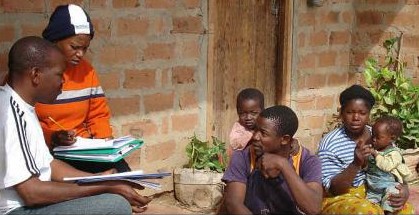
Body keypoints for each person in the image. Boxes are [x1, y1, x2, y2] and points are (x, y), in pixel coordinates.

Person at [0, 36, 151, 215]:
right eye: (59, 75)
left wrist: (97, 179)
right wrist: (105, 187)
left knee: (114, 198)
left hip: (31, 202)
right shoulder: (9, 112)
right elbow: (31, 193)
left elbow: (50, 165)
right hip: (17, 210)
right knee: (114, 205)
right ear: (35, 75)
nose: (63, 82)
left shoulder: (25, 106)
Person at [35, 4, 130, 173]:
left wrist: (105, 144)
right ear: (55, 41)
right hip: (47, 152)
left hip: (83, 150)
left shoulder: (86, 71)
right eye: (74, 47)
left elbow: (98, 114)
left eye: (85, 48)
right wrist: (52, 137)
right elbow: (22, 124)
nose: (80, 54)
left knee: (125, 176)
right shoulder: (34, 73)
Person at [317, 84, 414, 214]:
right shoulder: (330, 144)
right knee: (367, 211)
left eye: (362, 113)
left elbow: (396, 164)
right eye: (350, 112)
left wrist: (405, 190)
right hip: (341, 198)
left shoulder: (379, 135)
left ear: (369, 114)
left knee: (404, 210)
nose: (356, 118)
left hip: (377, 192)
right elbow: (332, 189)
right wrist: (356, 163)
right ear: (341, 113)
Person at [221, 105, 323, 214]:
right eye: (255, 130)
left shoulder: (307, 160)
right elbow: (234, 204)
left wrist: (283, 165)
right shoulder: (243, 157)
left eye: (263, 133)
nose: (255, 137)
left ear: (284, 139)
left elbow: (313, 208)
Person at [366, 116, 413, 214]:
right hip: (373, 190)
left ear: (392, 138)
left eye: (378, 137)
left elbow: (387, 166)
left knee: (391, 203)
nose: (374, 139)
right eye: (372, 135)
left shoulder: (394, 154)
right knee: (370, 209)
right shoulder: (374, 149)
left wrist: (375, 155)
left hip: (389, 186)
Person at [227, 88, 264, 158]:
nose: (248, 118)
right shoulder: (238, 129)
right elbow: (237, 144)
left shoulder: (267, 124)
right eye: (243, 113)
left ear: (262, 111)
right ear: (238, 112)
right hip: (244, 162)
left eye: (254, 113)